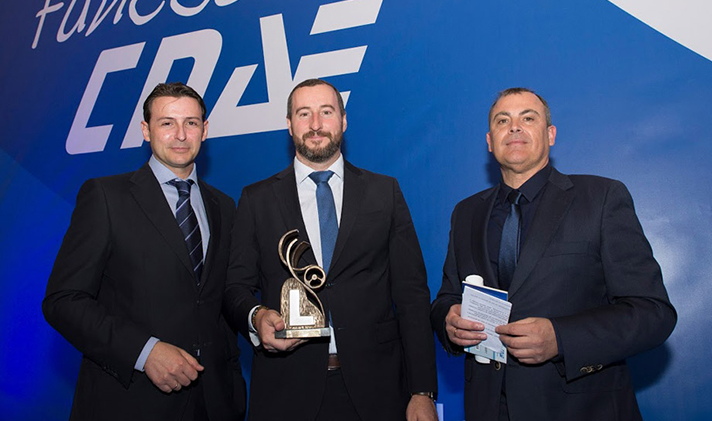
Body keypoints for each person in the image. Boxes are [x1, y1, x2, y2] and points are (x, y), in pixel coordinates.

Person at [430, 87, 676, 421]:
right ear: (490, 141)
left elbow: (653, 314)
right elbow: (446, 297)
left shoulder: (601, 198)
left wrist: (561, 338)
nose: (514, 127)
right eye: (503, 120)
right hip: (488, 408)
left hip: (580, 409)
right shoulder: (466, 213)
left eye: (527, 118)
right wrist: (449, 323)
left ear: (550, 134)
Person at [223, 78, 438, 421]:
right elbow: (235, 287)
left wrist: (423, 390)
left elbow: (411, 294)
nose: (316, 124)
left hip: (378, 389)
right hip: (286, 389)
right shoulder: (256, 199)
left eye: (326, 112)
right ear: (289, 124)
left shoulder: (384, 193)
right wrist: (256, 316)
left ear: (344, 120)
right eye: (304, 113)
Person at [43, 82, 246, 421]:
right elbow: (63, 301)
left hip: (214, 402)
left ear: (205, 130)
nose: (180, 134)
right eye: (167, 123)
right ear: (146, 130)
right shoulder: (106, 198)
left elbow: (219, 298)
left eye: (191, 123)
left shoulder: (223, 206)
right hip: (129, 401)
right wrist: (144, 351)